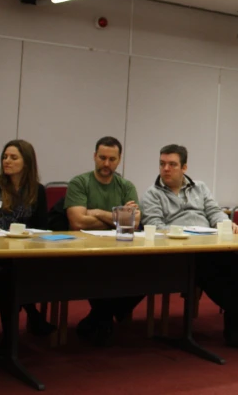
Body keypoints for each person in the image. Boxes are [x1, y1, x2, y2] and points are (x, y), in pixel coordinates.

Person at [141, 144, 238, 349]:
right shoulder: (152, 194)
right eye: (162, 164)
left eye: (172, 164)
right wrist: (182, 234)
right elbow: (155, 226)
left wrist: (225, 223)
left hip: (207, 245)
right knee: (216, 273)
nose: (166, 169)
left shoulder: (199, 187)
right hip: (178, 253)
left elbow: (214, 212)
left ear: (184, 167)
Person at [0, 140, 55, 348]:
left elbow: (42, 226)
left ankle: (13, 335)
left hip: (22, 249)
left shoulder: (37, 190)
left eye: (13, 157)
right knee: (6, 271)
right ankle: (16, 331)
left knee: (12, 270)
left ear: (27, 162)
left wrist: (25, 235)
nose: (7, 161)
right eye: (5, 157)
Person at [64, 136, 142, 345]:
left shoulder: (126, 186)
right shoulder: (80, 182)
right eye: (102, 158)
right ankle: (105, 316)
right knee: (103, 270)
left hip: (120, 251)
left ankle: (101, 316)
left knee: (146, 268)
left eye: (112, 159)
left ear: (119, 160)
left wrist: (97, 212)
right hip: (84, 252)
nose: (106, 164)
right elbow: (77, 222)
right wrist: (117, 219)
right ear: (94, 156)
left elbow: (133, 223)